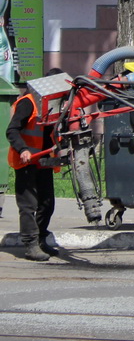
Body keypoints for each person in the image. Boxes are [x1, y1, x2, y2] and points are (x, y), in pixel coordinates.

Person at [7, 69, 62, 261]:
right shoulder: (28, 102)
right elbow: (12, 130)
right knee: (28, 205)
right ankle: (31, 244)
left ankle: (41, 239)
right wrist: (23, 149)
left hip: (44, 161)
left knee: (47, 204)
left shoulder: (55, 105)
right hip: (27, 161)